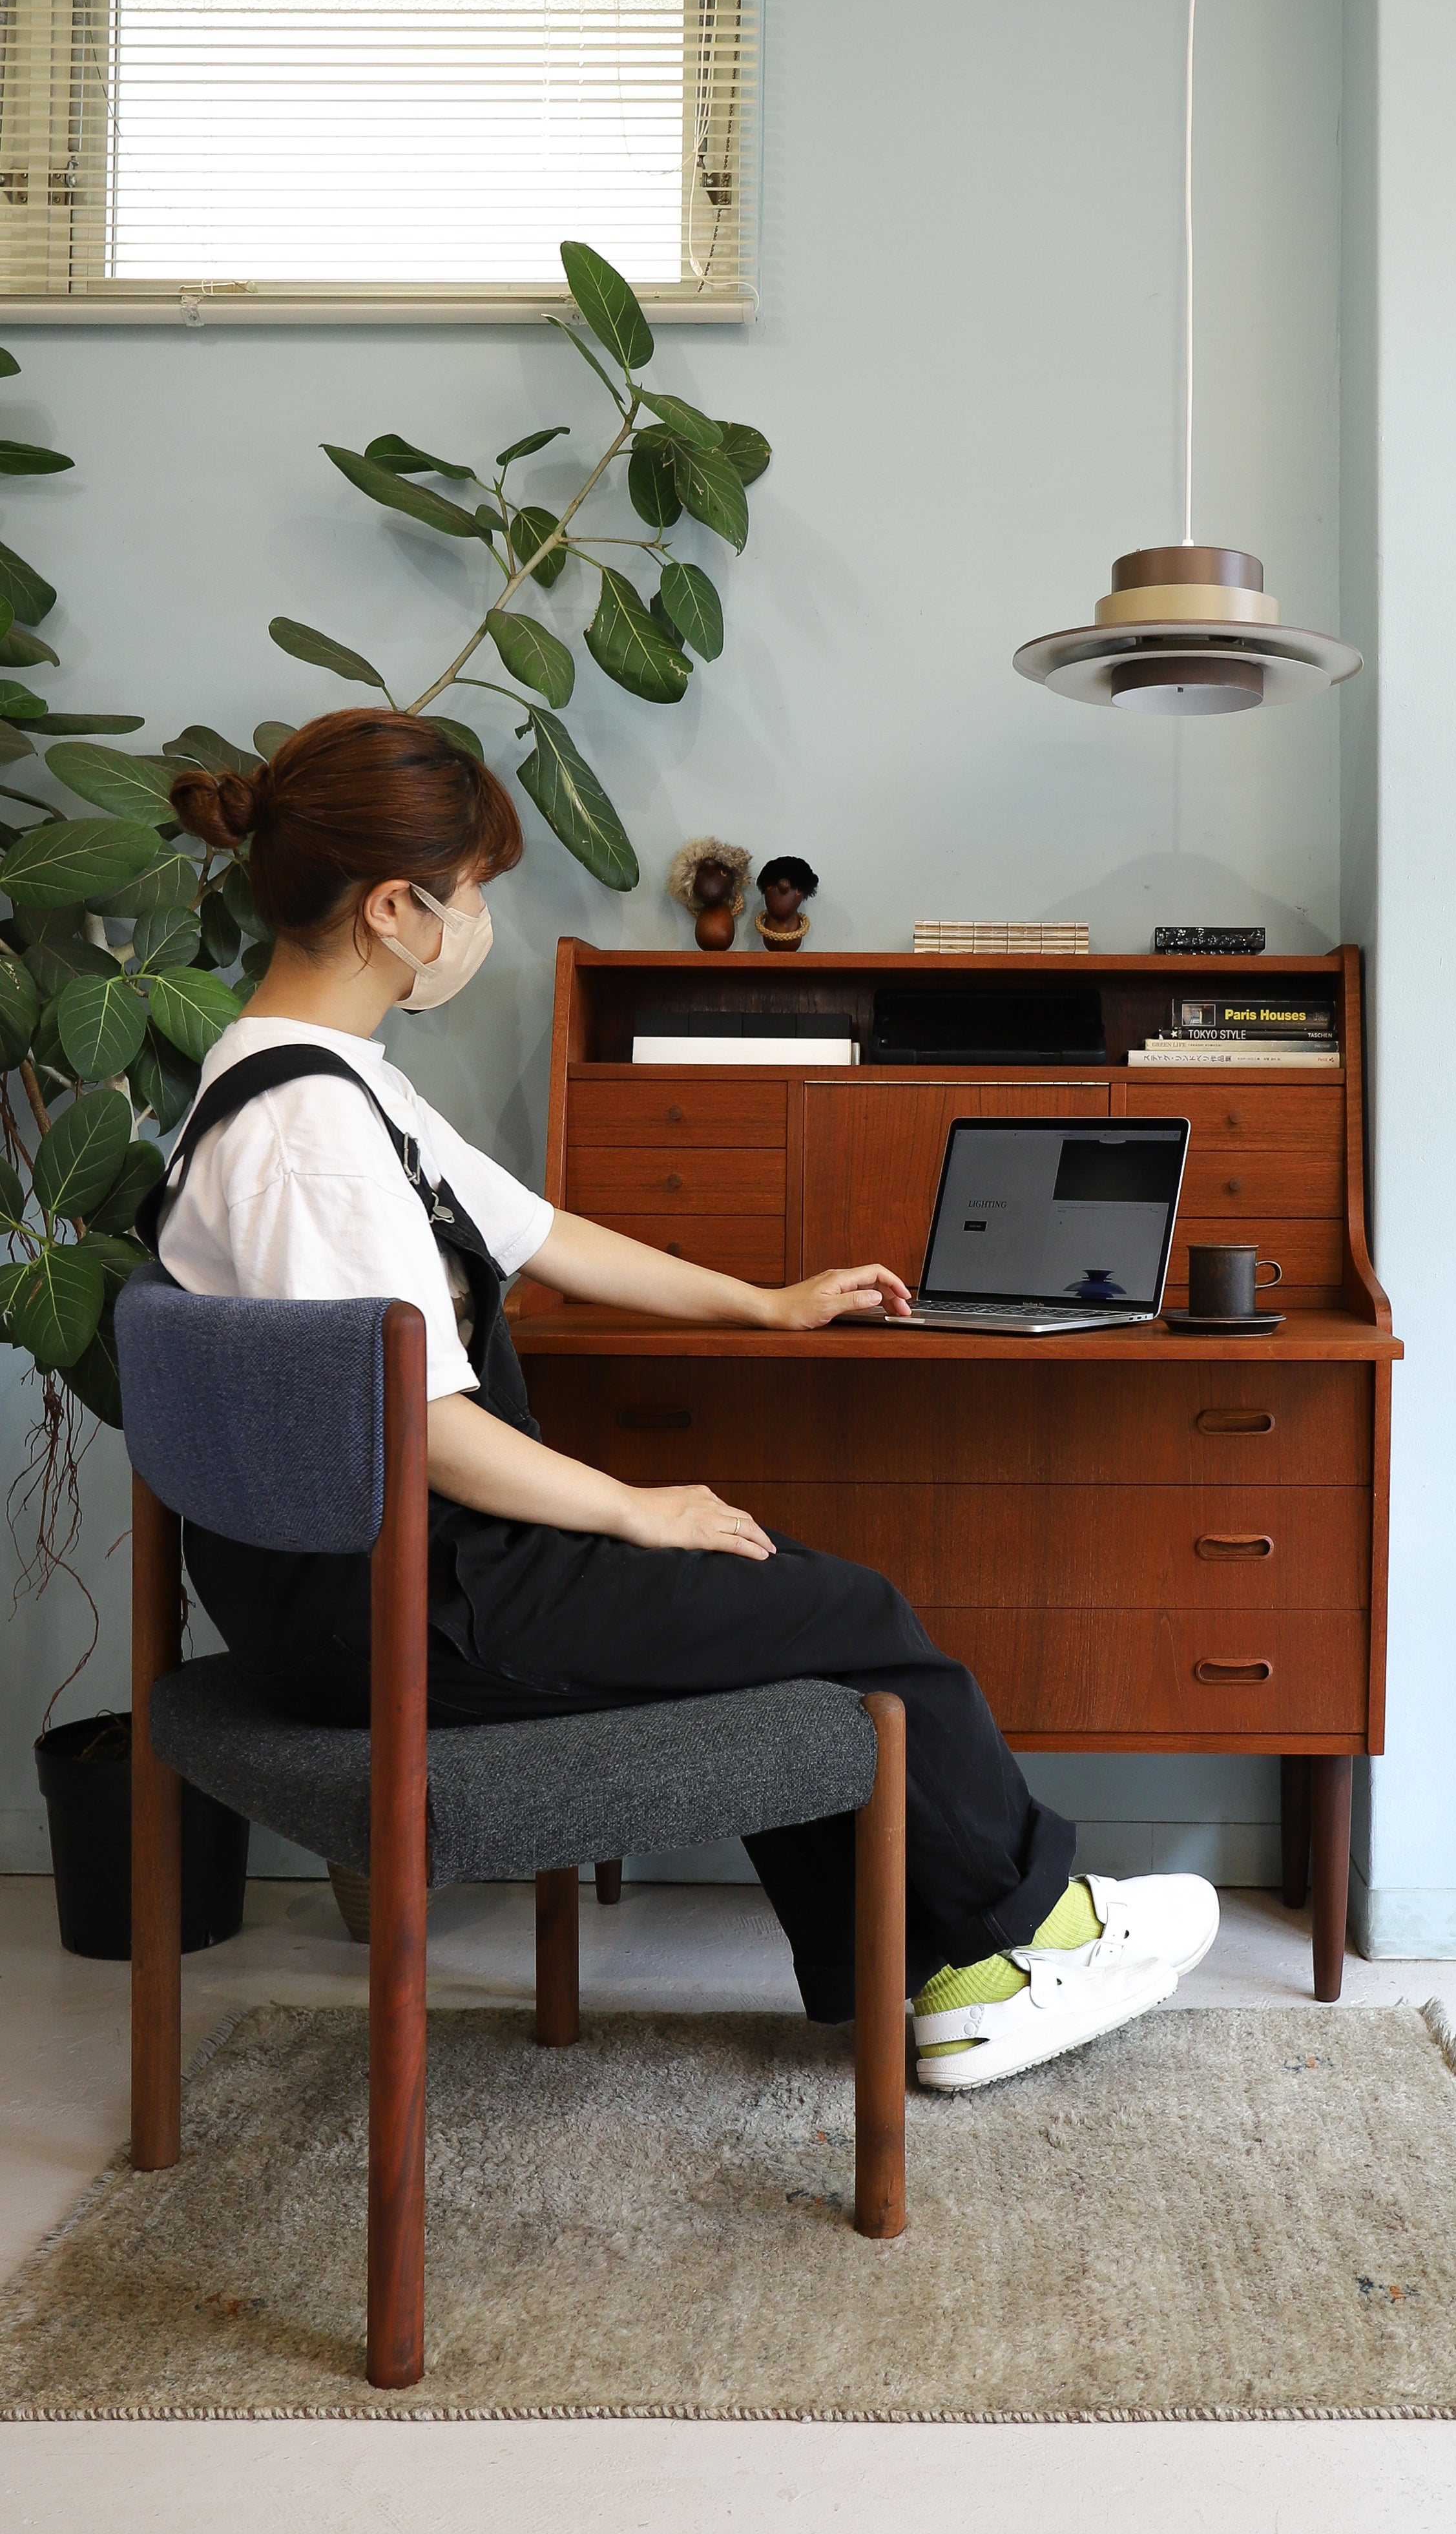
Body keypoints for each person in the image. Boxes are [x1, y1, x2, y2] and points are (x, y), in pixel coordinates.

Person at [151, 709, 1220, 2090]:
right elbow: (420, 1424)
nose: (481, 923)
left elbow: (539, 1231)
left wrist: (764, 1299)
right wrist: (633, 1510)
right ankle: (1035, 1934)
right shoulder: (312, 1140)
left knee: (780, 1605)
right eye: (472, 894)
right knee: (845, 1609)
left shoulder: (316, 1083)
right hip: (401, 1604)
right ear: (397, 911)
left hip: (369, 1587)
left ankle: (944, 1971)